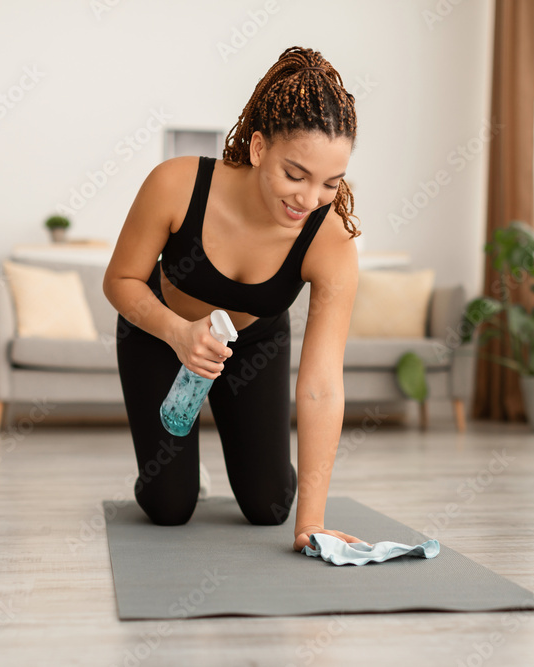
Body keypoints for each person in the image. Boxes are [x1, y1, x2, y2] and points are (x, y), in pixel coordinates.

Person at [103, 46, 370, 552]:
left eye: (330, 183)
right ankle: (182, 470)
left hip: (253, 346)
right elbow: (120, 280)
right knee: (168, 506)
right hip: (160, 334)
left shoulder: (329, 241)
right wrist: (180, 335)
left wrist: (310, 522)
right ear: (257, 148)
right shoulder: (177, 185)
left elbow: (321, 384)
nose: (309, 199)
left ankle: (256, 466)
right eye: (295, 174)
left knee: (270, 507)